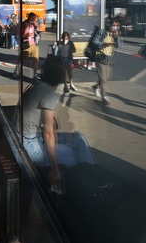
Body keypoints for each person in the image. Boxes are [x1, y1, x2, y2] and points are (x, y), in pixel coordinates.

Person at [22, 56, 94, 192]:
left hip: (26, 137)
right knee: (72, 150)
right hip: (30, 144)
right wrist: (55, 170)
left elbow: (52, 125)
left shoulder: (36, 86)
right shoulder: (48, 94)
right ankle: (89, 178)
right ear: (60, 77)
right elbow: (49, 131)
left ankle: (90, 173)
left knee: (78, 138)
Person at [91, 19, 122, 105]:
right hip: (100, 58)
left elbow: (119, 46)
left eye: (116, 26)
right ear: (109, 25)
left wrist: (118, 37)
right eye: (114, 25)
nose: (115, 27)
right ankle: (104, 96)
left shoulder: (115, 35)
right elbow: (94, 42)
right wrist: (104, 44)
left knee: (107, 78)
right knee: (103, 79)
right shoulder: (102, 32)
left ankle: (96, 87)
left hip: (110, 59)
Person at [13, 12, 40, 79]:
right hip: (26, 44)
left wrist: (37, 26)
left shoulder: (34, 24)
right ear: (29, 17)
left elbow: (39, 31)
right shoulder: (23, 24)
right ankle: (16, 71)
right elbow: (18, 35)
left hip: (34, 44)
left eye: (35, 18)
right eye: (33, 18)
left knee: (35, 60)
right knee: (22, 60)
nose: (34, 20)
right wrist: (26, 35)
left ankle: (35, 75)